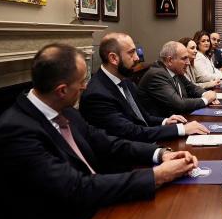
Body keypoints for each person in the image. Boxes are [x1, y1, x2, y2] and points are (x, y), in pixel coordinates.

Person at [0, 43, 198, 219]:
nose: (85, 86)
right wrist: (157, 175)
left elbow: (107, 143)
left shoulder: (65, 110)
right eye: (82, 81)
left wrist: (160, 153)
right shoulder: (16, 131)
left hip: (98, 200)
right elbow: (75, 188)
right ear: (62, 90)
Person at [79, 33, 207, 143]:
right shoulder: (97, 94)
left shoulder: (125, 81)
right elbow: (130, 132)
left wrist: (165, 121)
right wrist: (181, 129)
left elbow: (143, 117)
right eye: (131, 53)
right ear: (113, 58)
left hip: (145, 142)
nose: (137, 58)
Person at [138, 41, 218, 120]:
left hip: (179, 118)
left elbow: (192, 88)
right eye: (184, 58)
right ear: (169, 60)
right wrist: (205, 100)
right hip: (162, 125)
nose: (188, 63)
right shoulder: (157, 74)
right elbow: (179, 104)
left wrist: (207, 93)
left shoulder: (175, 70)